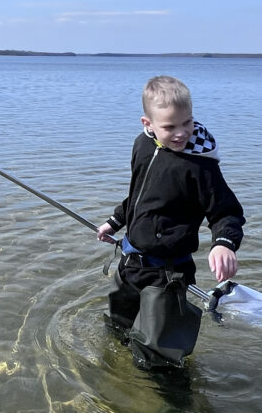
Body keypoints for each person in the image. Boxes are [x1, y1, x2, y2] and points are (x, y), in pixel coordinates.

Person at [96, 76, 245, 370]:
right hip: (131, 263)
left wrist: (224, 244)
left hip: (168, 272)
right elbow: (138, 195)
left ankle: (171, 409)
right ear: (148, 123)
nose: (181, 133)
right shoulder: (142, 145)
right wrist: (115, 221)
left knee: (158, 357)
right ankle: (118, 384)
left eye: (187, 123)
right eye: (170, 126)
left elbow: (227, 213)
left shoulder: (200, 166)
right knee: (118, 330)